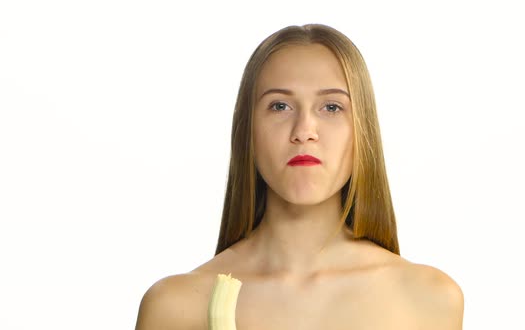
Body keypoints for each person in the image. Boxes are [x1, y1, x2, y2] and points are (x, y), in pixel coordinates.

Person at [135, 23, 464, 330]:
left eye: (332, 107)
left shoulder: (430, 299)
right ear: (247, 132)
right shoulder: (173, 308)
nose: (304, 131)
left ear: (363, 130)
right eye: (279, 106)